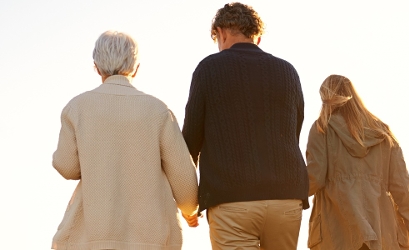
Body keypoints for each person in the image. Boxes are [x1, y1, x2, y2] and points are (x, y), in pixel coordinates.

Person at [51, 31, 199, 250]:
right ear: (136, 68)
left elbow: (66, 167)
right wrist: (190, 211)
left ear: (96, 67)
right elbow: (185, 184)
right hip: (151, 241)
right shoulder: (157, 110)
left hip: (91, 240)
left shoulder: (77, 108)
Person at [181, 2, 308, 249]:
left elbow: (190, 142)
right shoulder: (288, 71)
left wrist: (188, 202)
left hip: (232, 200)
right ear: (256, 37)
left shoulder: (209, 68)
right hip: (287, 198)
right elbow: (294, 132)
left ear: (222, 32)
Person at [305, 75, 409, 250]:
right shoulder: (383, 133)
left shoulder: (321, 129)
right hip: (384, 235)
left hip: (338, 235)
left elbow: (314, 179)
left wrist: (282, 195)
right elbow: (402, 189)